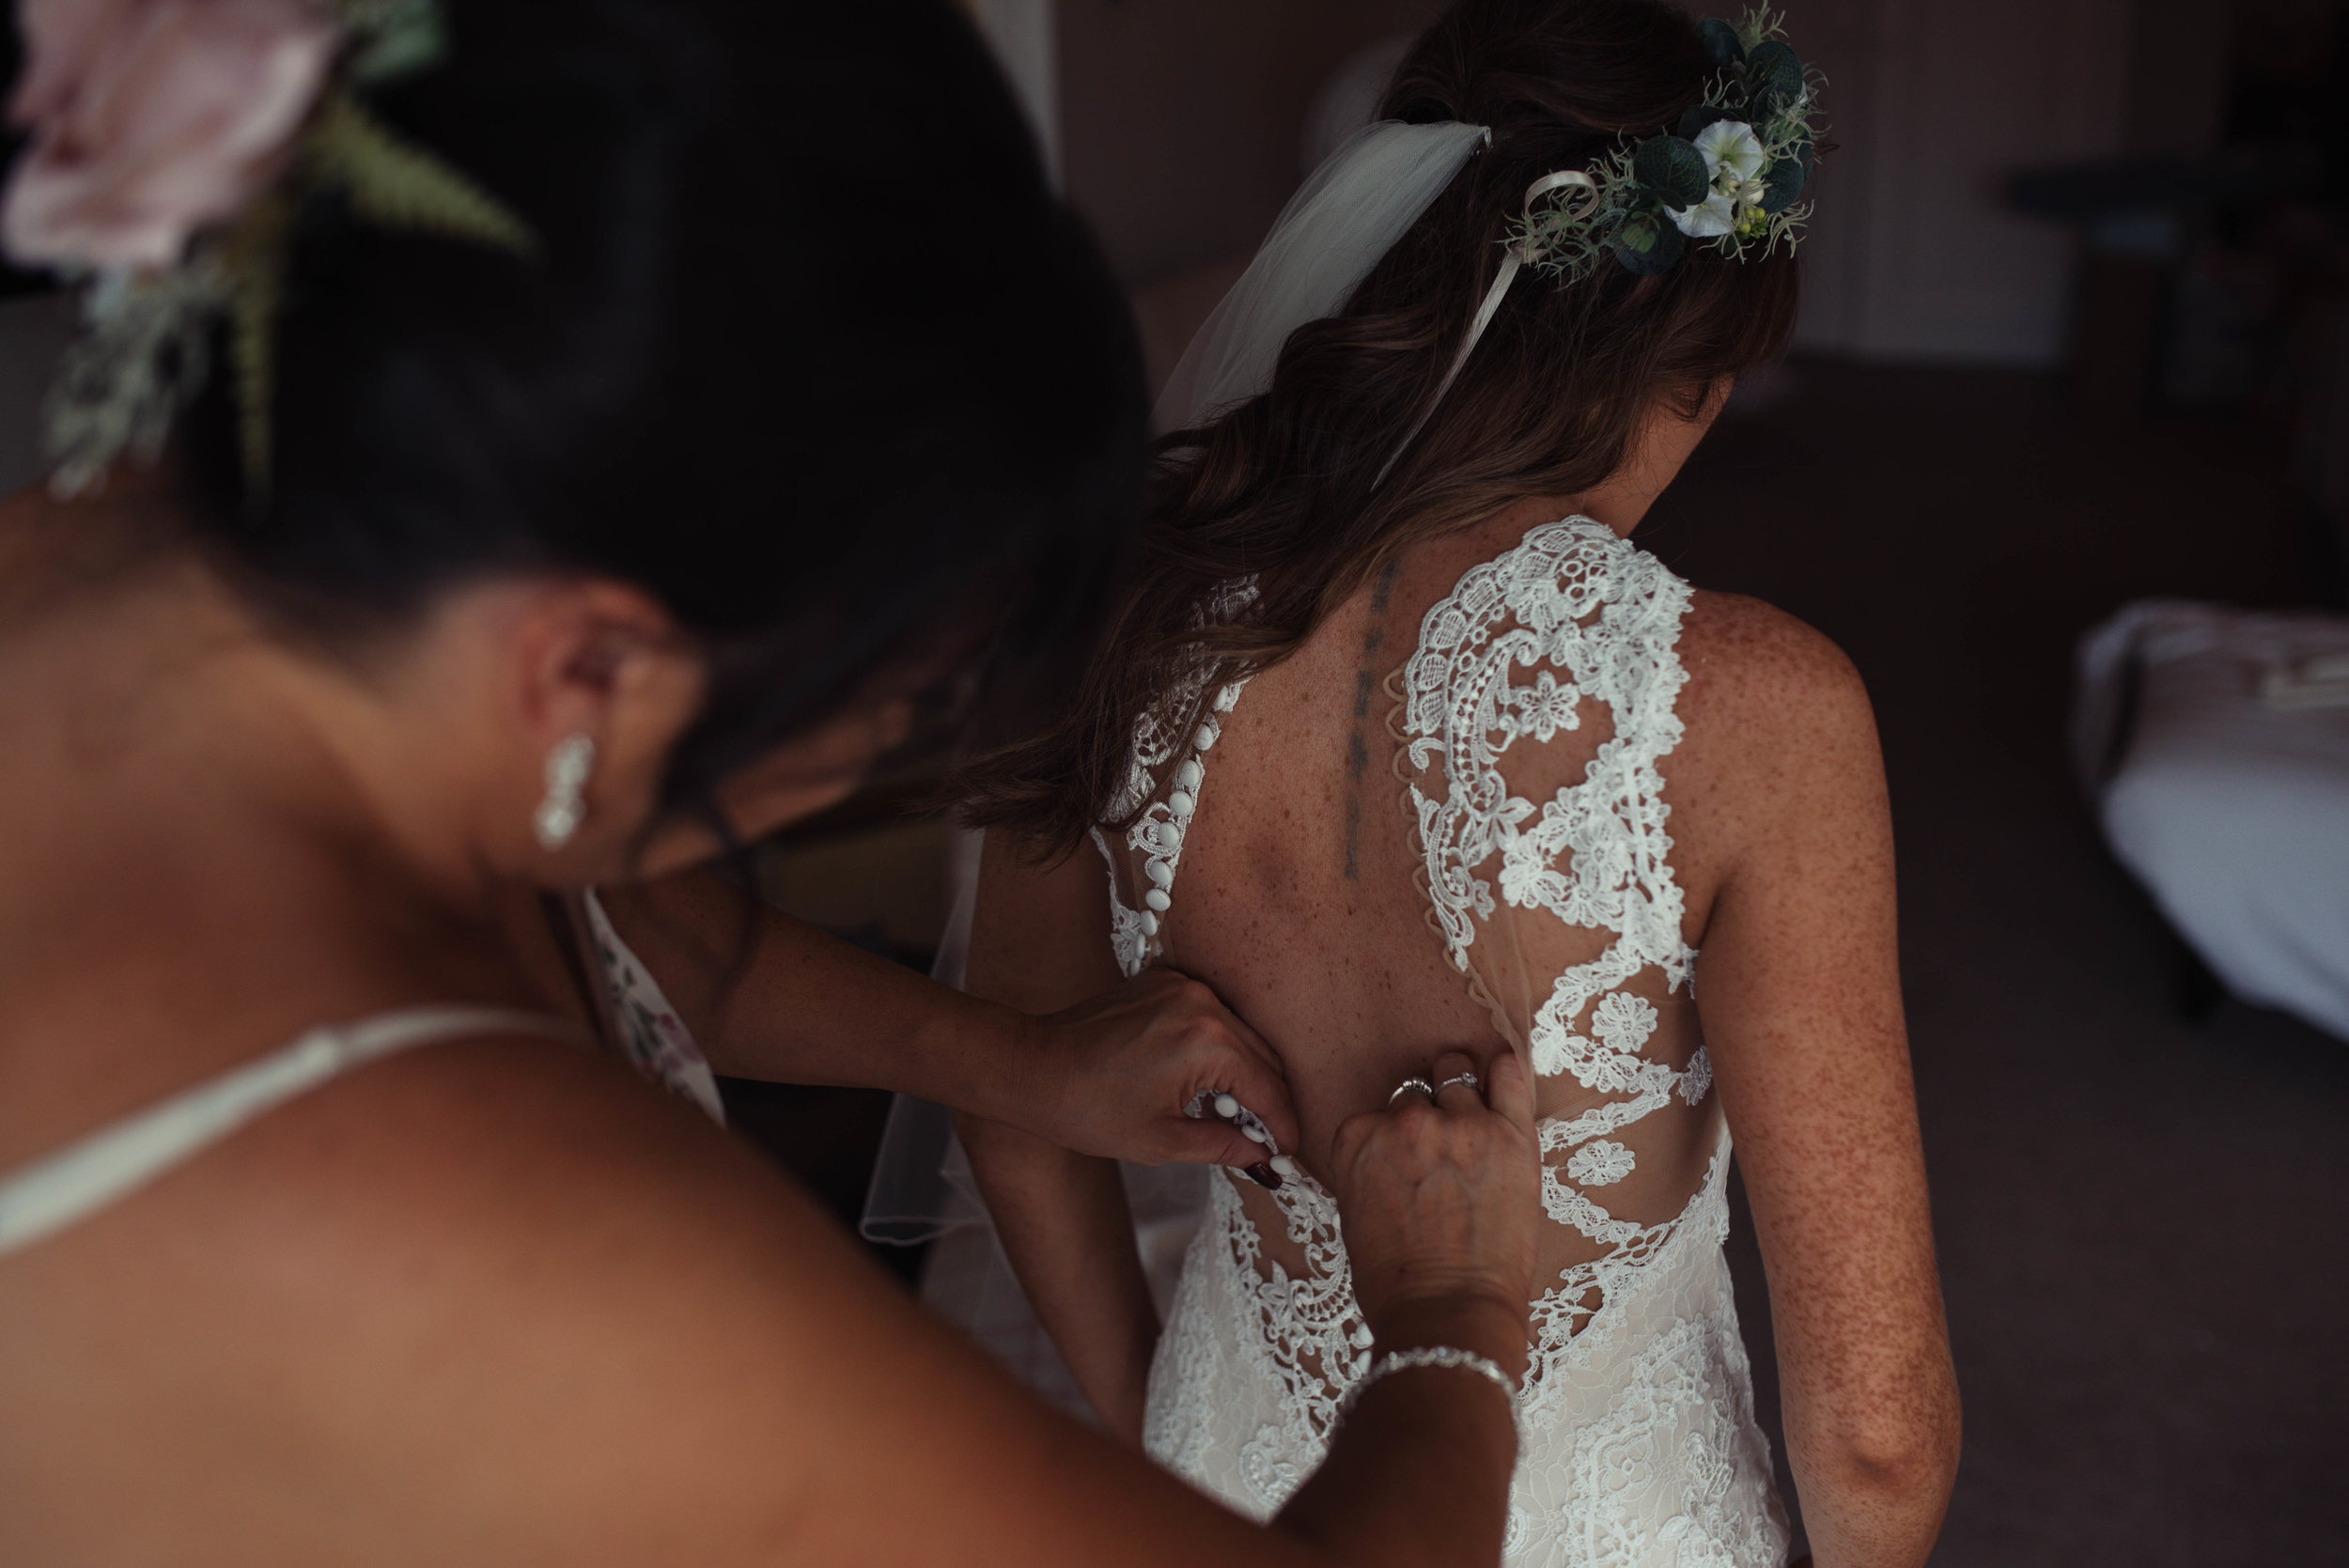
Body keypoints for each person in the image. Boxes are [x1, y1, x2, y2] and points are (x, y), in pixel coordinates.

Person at [0, 2, 1549, 1562]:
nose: (870, 768)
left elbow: (624, 936)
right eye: (887, 715)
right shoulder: (478, 1210)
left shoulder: (292, 566)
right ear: (595, 667)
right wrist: (1452, 1314)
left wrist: (1014, 1060)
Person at [952, 3, 1964, 1564]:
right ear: (1701, 346)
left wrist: (1165, 1425)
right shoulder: (1756, 709)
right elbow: (1879, 1434)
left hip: (1237, 1482)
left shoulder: (1121, 606)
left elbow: (1016, 1104)